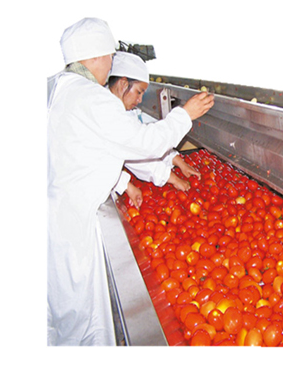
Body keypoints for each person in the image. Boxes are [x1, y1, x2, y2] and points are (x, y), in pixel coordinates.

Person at [47, 17, 213, 346]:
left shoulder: (58, 87)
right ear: (93, 56)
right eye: (108, 56)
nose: (109, 64)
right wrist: (185, 115)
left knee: (62, 315)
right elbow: (143, 143)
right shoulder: (91, 98)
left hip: (59, 212)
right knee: (83, 322)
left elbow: (91, 150)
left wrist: (127, 180)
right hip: (75, 224)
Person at [107, 51, 200, 209]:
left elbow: (143, 140)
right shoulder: (109, 114)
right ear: (123, 83)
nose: (140, 100)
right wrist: (173, 178)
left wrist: (178, 161)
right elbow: (143, 147)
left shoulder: (119, 111)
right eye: (139, 92)